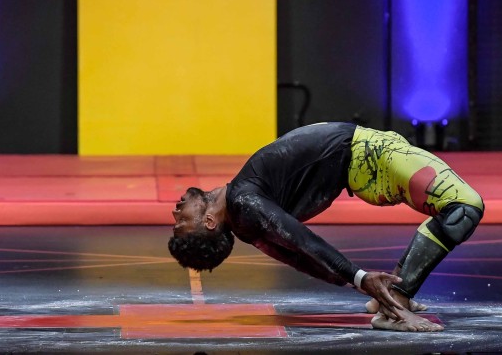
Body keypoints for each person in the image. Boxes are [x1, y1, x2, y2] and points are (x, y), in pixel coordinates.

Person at [168, 122, 484, 332]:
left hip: (365, 163)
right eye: (182, 221)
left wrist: (357, 282)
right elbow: (303, 243)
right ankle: (395, 303)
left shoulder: (245, 221)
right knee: (465, 207)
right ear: (209, 222)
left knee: (457, 207)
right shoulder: (245, 203)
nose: (176, 209)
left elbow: (300, 258)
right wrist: (361, 277)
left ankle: (387, 296)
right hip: (373, 156)